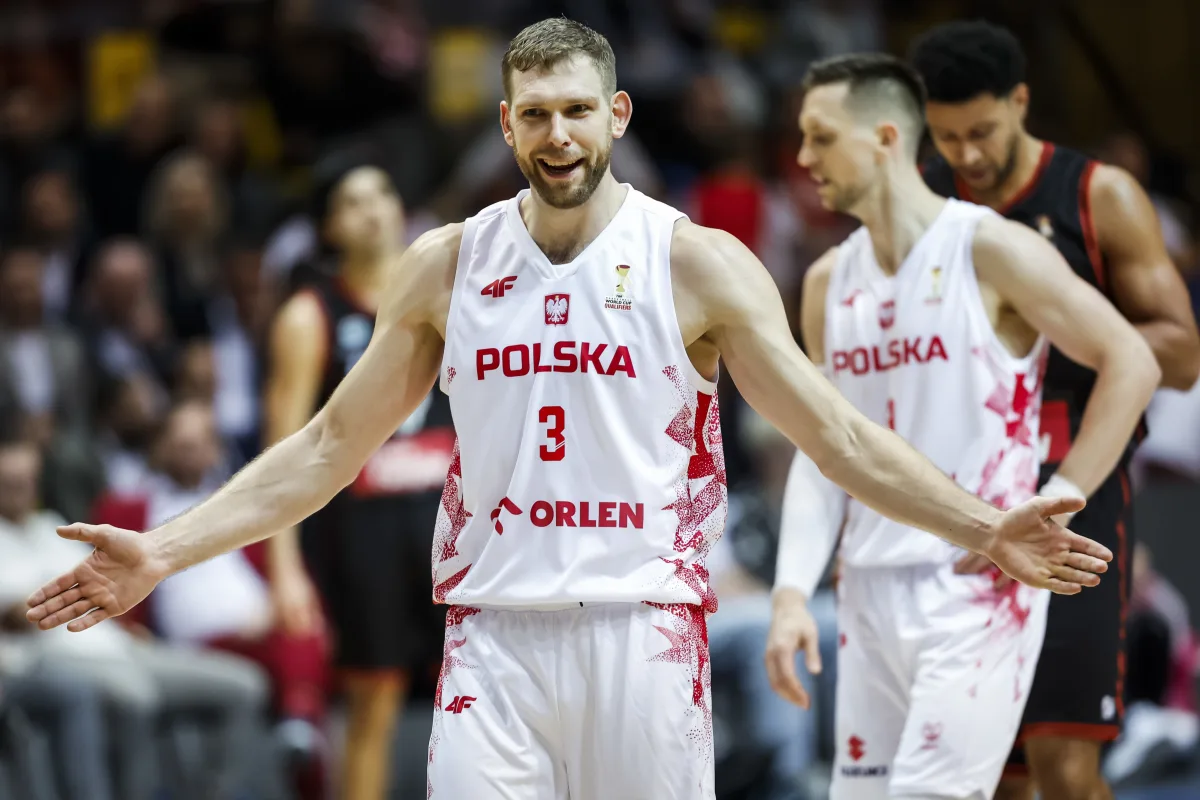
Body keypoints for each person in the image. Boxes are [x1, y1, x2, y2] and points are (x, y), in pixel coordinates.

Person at [26, 19, 1114, 799]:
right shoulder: (446, 265)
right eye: (537, 115)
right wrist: (162, 550)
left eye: (578, 112)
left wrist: (985, 527)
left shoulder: (696, 262)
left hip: (643, 631)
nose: (558, 136)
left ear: (617, 115)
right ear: (506, 124)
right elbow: (322, 448)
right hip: (491, 640)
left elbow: (833, 434)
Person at [763, 52, 1159, 800]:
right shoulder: (825, 282)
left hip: (978, 579)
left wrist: (1062, 493)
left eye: (820, 137)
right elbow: (822, 450)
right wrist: (790, 593)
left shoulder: (990, 247)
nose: (804, 157)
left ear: (885, 138)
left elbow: (1132, 360)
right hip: (866, 589)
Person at [909, 20, 1200, 800]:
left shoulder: (1097, 194)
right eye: (947, 136)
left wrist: (1045, 325)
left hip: (1074, 487)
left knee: (1064, 770)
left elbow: (1181, 353)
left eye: (982, 131)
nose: (967, 154)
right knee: (988, 775)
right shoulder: (923, 196)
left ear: (1020, 101)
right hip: (960, 496)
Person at [264, 160, 454, 800]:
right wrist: (285, 569)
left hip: (454, 521)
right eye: (352, 201)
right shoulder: (308, 315)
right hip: (365, 532)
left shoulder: (458, 293)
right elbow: (281, 451)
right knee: (374, 702)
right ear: (328, 227)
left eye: (383, 193)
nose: (373, 210)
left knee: (486, 694)